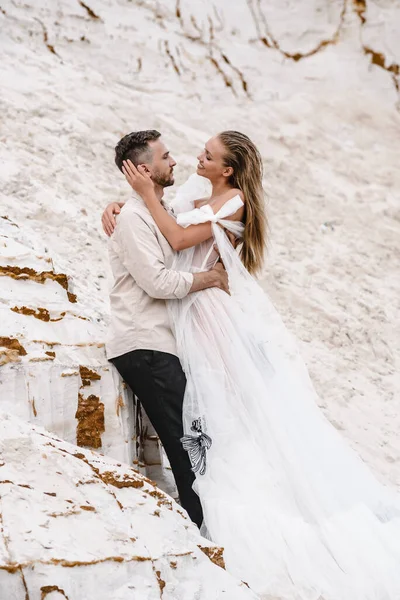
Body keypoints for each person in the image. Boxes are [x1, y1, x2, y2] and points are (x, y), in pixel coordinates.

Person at [104, 130, 400, 600]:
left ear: (227, 169)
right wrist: (122, 206)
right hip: (183, 312)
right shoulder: (197, 196)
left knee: (224, 413)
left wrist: (140, 197)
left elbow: (177, 235)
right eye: (192, 152)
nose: (194, 157)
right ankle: (210, 506)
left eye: (207, 154)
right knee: (209, 413)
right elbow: (163, 222)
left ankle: (237, 514)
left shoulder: (233, 201)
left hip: (204, 310)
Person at [105, 130, 230, 529]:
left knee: (196, 440)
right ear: (145, 169)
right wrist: (208, 279)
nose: (174, 161)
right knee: (188, 446)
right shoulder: (133, 218)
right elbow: (158, 282)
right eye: (165, 156)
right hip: (145, 344)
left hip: (163, 344)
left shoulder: (159, 212)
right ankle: (206, 533)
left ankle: (208, 525)